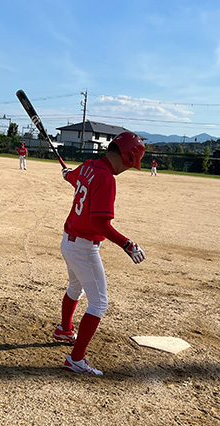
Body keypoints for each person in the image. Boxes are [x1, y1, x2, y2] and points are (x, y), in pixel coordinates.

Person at [52, 131, 147, 376]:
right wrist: (127, 244)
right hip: (83, 246)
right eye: (131, 164)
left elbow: (73, 177)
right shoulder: (106, 177)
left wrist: (67, 175)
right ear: (127, 157)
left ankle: (65, 329)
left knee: (76, 288)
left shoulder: (88, 165)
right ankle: (76, 359)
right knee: (99, 302)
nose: (128, 169)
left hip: (68, 241)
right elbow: (100, 224)